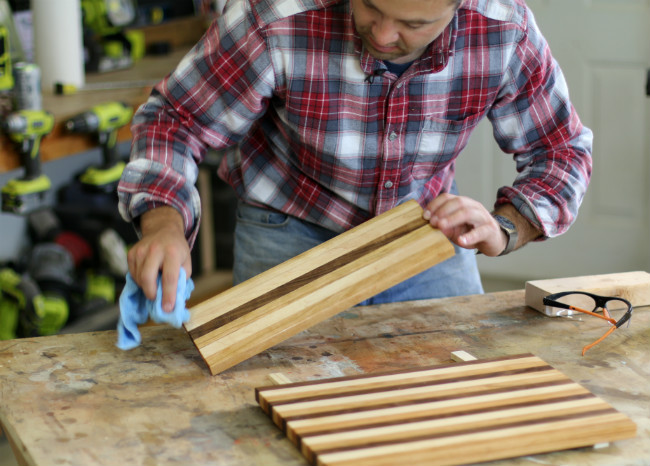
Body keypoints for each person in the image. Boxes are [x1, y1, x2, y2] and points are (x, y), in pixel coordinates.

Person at [117, 0, 592, 312]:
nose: (383, 35)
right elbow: (176, 118)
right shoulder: (276, 15)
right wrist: (163, 225)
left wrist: (506, 228)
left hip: (424, 233)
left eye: (412, 24)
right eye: (370, 5)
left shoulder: (504, 30)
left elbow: (561, 153)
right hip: (288, 230)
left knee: (450, 401)